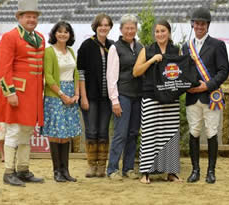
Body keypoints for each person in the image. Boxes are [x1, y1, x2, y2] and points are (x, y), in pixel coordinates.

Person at [0, 0, 45, 187]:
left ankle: (23, 169)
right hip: (17, 92)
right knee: (14, 131)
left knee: (27, 131)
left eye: (34, 16)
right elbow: (3, 67)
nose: (32, 19)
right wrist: (10, 93)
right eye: (28, 16)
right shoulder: (10, 37)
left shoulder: (40, 37)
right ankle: (9, 171)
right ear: (19, 17)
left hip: (33, 94)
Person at [181, 7, 229, 184]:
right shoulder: (186, 47)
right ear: (193, 24)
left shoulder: (217, 45)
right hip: (192, 97)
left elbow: (223, 71)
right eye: (197, 23)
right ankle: (195, 170)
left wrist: (206, 86)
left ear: (208, 25)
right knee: (194, 132)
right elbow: (183, 71)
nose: (199, 26)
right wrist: (187, 87)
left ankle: (211, 171)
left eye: (203, 23)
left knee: (211, 132)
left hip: (210, 96)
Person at [133, 19, 182, 184]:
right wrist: (152, 60)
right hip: (150, 96)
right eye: (157, 31)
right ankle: (145, 172)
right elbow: (136, 71)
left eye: (163, 31)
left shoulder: (176, 50)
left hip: (170, 98)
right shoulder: (147, 50)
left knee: (170, 135)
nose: (160, 34)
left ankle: (171, 172)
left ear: (169, 32)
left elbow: (181, 73)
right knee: (149, 134)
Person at [42, 21, 82, 183]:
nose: (63, 34)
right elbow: (49, 76)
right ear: (54, 34)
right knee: (55, 134)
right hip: (55, 96)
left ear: (70, 35)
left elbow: (76, 74)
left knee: (66, 135)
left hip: (71, 95)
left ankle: (65, 170)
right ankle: (57, 171)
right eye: (60, 32)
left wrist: (76, 94)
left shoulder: (71, 52)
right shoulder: (49, 52)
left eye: (66, 32)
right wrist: (61, 94)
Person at [106, 15, 143, 180]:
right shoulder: (115, 48)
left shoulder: (140, 47)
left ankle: (128, 168)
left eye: (132, 28)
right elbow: (111, 76)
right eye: (126, 28)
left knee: (133, 133)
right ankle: (112, 168)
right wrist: (115, 100)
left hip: (138, 96)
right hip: (123, 96)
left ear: (136, 29)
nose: (130, 31)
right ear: (121, 30)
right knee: (120, 133)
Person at [77, 13, 114, 178]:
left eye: (106, 25)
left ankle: (101, 166)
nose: (104, 28)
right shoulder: (86, 46)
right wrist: (83, 97)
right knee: (91, 130)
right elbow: (81, 73)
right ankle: (91, 165)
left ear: (110, 27)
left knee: (103, 131)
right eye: (101, 25)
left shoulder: (112, 46)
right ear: (96, 27)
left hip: (107, 98)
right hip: (90, 96)